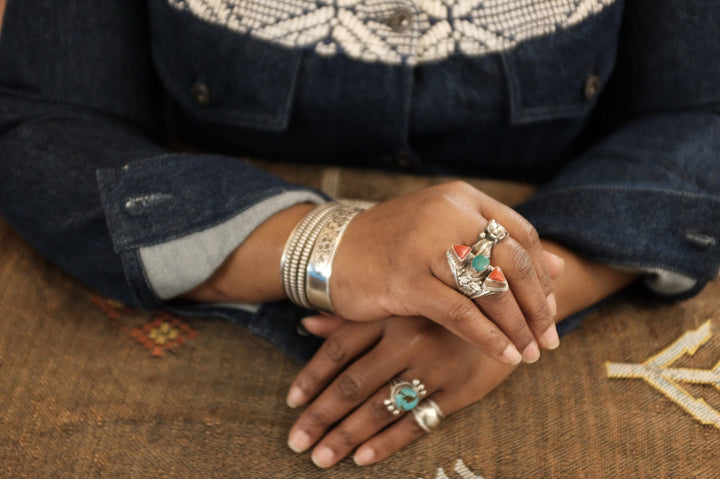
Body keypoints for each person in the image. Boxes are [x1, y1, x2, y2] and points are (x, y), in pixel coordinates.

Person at [0, 0, 718, 469]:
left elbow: (699, 115)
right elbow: (49, 123)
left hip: (564, 290)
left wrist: (511, 300)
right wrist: (324, 245)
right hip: (199, 261)